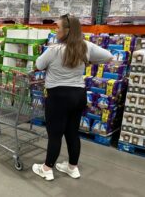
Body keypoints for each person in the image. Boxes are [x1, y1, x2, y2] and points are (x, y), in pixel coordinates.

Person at [32, 14, 113, 181]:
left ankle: (47, 169)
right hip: (78, 96)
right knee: (72, 133)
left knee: (55, 134)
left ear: (67, 31)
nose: (55, 30)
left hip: (58, 96)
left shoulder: (54, 49)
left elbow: (38, 65)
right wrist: (89, 61)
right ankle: (72, 168)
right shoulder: (85, 47)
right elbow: (108, 56)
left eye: (58, 27)